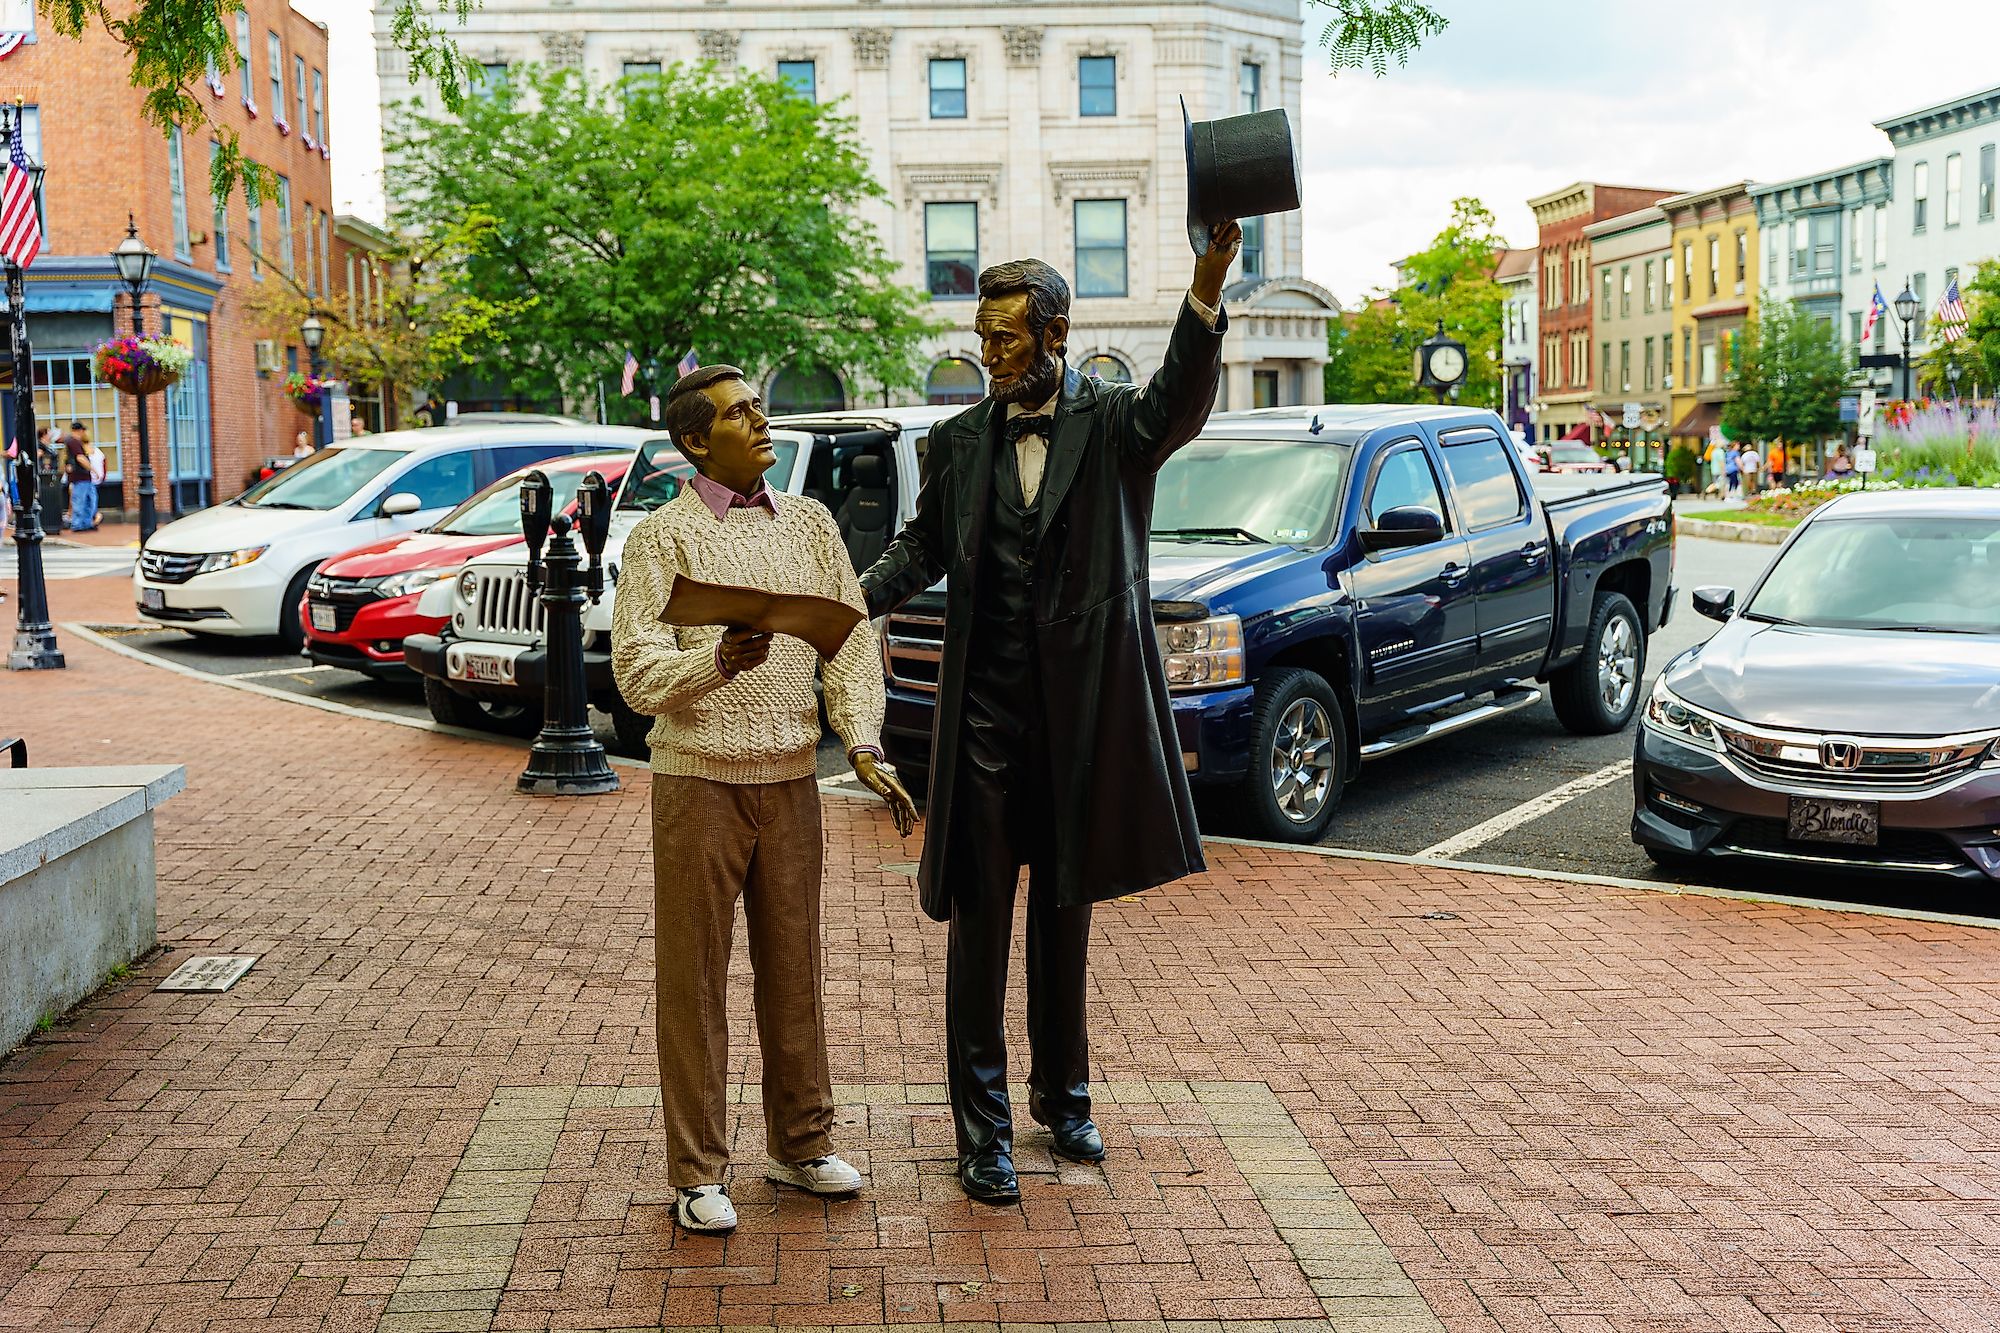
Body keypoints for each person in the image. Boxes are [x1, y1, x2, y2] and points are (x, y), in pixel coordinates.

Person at [860, 223, 1240, 1205]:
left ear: (1056, 333)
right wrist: (841, 603)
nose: (988, 359)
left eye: (1006, 342)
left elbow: (1177, 403)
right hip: (981, 723)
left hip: (1078, 721)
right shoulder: (956, 442)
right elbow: (919, 550)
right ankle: (979, 1131)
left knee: (1065, 913)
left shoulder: (1112, 427)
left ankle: (1062, 1096)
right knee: (980, 925)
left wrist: (1203, 281)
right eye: (981, 341)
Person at [609, 364, 917, 1236]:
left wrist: (859, 737)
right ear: (695, 441)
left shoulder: (813, 523)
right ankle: (699, 1169)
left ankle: (801, 1143)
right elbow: (634, 672)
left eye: (759, 407)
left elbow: (850, 640)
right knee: (694, 979)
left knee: (794, 969)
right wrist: (716, 661)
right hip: (696, 781)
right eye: (740, 414)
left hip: (791, 781)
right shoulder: (660, 539)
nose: (761, 420)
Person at [64, 423, 98, 531]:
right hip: (79, 477)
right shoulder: (73, 442)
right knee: (80, 501)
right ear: (80, 430)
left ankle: (85, 523)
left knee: (89, 501)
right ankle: (77, 524)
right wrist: (92, 469)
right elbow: (80, 458)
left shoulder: (76, 442)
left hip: (84, 477)